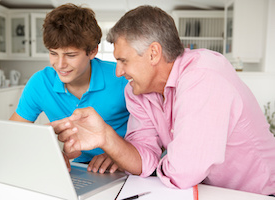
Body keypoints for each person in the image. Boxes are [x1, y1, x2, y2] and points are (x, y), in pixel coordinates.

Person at [51, 5, 275, 196]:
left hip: (260, 193)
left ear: (153, 53)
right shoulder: (137, 92)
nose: (118, 72)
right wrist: (106, 137)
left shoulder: (204, 75)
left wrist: (154, 164)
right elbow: (143, 159)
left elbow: (183, 172)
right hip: (207, 191)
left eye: (123, 61)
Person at [9, 3, 129, 172]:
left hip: (123, 170)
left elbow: (156, 137)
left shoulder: (122, 78)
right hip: (76, 170)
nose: (60, 65)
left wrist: (121, 154)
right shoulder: (40, 83)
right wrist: (46, 148)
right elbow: (11, 135)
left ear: (93, 51)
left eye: (70, 55)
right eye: (53, 53)